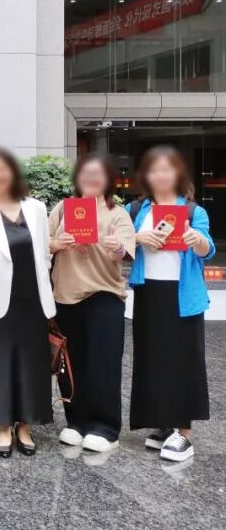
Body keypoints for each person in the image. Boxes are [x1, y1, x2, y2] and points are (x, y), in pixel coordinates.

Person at [127, 145, 214, 462]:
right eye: (155, 170)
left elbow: (207, 249)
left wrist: (196, 239)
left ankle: (184, 434)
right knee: (152, 357)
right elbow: (117, 243)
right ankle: (163, 424)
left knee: (184, 360)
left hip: (183, 295)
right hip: (149, 292)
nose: (161, 175)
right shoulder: (137, 209)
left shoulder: (192, 211)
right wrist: (138, 239)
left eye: (167, 169)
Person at [0, 149, 55, 458]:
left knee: (32, 362)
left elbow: (45, 251)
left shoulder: (36, 208)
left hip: (33, 297)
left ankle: (26, 427)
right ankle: (4, 427)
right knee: (1, 361)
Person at [49, 153, 135, 453]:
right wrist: (58, 243)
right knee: (70, 365)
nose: (91, 178)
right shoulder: (62, 209)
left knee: (103, 363)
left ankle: (105, 428)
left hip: (103, 295)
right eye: (86, 173)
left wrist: (116, 246)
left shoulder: (117, 213)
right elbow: (43, 244)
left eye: (98, 173)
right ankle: (76, 421)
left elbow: (125, 251)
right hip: (65, 296)